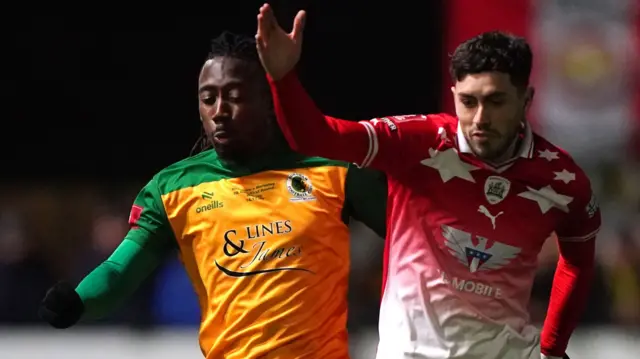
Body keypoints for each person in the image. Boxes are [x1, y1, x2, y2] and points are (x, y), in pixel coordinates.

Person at [255, 4, 600, 359]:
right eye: (468, 102)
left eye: (496, 101)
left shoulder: (563, 181)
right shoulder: (419, 142)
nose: (480, 118)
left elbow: (578, 263)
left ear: (526, 99)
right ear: (454, 96)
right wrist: (282, 79)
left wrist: (552, 350)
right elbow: (320, 138)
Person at [38, 31, 388, 359]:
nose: (219, 111)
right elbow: (120, 270)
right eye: (208, 98)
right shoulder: (173, 189)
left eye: (234, 97)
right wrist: (78, 301)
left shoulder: (335, 170)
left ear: (269, 100)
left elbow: (409, 236)